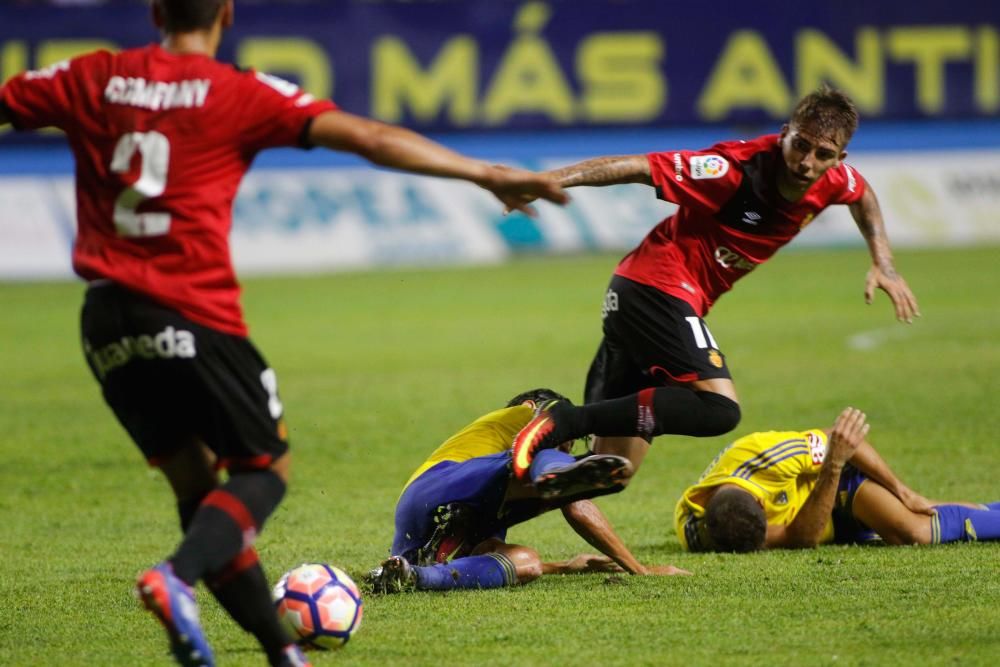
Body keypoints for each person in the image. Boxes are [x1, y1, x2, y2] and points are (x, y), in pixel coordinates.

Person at [0, 2, 568, 666]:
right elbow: (366, 136)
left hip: (105, 321)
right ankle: (176, 577)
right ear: (228, 12)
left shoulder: (92, 75)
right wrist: (485, 171)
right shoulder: (238, 90)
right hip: (191, 309)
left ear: (155, 10)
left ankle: (280, 651)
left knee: (201, 493)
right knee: (264, 470)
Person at [508, 86, 920, 483]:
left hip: (636, 304)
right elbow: (637, 166)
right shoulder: (733, 170)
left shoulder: (834, 181)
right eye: (800, 145)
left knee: (612, 469)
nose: (806, 161)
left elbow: (862, 194)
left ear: (838, 158)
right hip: (656, 288)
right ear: (784, 135)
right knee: (719, 408)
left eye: (822, 154)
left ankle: (527, 460)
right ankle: (562, 418)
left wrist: (884, 263)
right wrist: (545, 180)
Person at [367, 388, 690, 594]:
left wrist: (566, 566)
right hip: (439, 483)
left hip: (432, 525)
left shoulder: (507, 497)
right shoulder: (528, 413)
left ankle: (413, 576)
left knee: (526, 563)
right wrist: (640, 569)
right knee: (547, 463)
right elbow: (577, 506)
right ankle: (553, 472)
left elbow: (496, 549)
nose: (566, 439)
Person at [673, 407, 1000, 552]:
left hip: (835, 480)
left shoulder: (772, 457)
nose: (768, 541)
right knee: (927, 518)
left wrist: (906, 492)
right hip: (818, 519)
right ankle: (989, 511)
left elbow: (841, 438)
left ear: (761, 502)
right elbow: (797, 538)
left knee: (912, 530)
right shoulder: (698, 529)